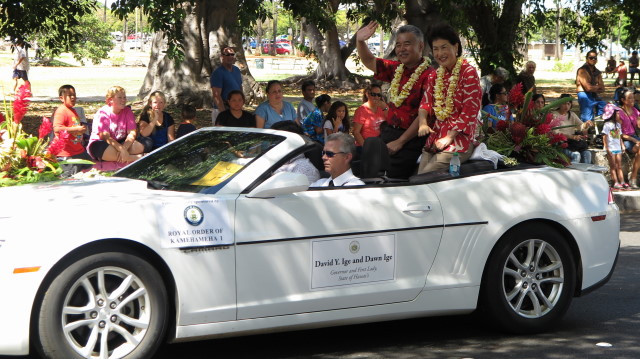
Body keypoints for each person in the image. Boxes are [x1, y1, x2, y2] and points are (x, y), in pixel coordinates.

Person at [356, 22, 433, 178]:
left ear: (420, 46)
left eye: (407, 44)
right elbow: (370, 61)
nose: (401, 49)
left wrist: (401, 142)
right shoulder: (396, 69)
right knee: (367, 169)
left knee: (392, 179)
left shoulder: (431, 75)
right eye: (398, 45)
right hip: (389, 131)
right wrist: (359, 41)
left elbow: (425, 113)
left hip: (413, 138)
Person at [416, 23, 482, 174]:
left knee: (426, 175)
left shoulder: (468, 72)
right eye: (435, 49)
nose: (439, 53)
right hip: (435, 139)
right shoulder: (434, 74)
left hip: (460, 140)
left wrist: (449, 137)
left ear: (456, 47)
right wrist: (422, 124)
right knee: (420, 175)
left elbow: (470, 111)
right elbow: (425, 103)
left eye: (444, 47)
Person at [87, 86, 145, 162]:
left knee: (146, 142)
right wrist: (120, 149)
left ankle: (117, 157)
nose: (123, 100)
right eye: (120, 98)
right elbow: (105, 137)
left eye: (124, 97)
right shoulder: (103, 113)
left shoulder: (127, 111)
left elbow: (132, 133)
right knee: (98, 148)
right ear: (110, 100)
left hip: (121, 142)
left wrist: (124, 148)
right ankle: (134, 158)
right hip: (104, 143)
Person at [52, 84, 93, 176]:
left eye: (74, 95)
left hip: (77, 149)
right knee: (70, 173)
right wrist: (75, 129)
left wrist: (81, 130)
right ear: (62, 98)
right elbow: (57, 128)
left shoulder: (73, 110)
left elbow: (73, 126)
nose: (73, 97)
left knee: (89, 166)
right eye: (69, 95)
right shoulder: (61, 111)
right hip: (66, 152)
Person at [550, 94, 593, 164]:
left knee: (587, 154)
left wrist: (586, 124)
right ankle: (573, 174)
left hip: (573, 144)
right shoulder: (554, 115)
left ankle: (585, 174)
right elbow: (555, 133)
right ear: (559, 104)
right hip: (561, 144)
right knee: (576, 155)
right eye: (564, 104)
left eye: (568, 104)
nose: (566, 106)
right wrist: (572, 136)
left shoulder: (571, 114)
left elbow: (581, 126)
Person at [210, 46, 243, 124]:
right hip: (221, 110)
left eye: (232, 54)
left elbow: (240, 89)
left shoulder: (237, 70)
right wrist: (224, 114)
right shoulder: (218, 73)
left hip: (235, 110)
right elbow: (216, 96)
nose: (230, 57)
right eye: (227, 54)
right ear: (222, 56)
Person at [616, 87, 640, 188]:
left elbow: (639, 125)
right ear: (623, 100)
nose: (632, 100)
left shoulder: (635, 110)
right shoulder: (618, 113)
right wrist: (633, 140)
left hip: (635, 137)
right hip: (625, 139)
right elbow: (617, 133)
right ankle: (633, 177)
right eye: (630, 98)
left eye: (633, 98)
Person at [601, 104, 627, 189]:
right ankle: (615, 182)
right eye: (617, 113)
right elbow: (604, 137)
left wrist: (622, 145)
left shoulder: (618, 125)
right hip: (611, 148)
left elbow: (619, 137)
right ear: (612, 114)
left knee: (619, 166)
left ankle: (622, 181)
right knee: (613, 166)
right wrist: (607, 148)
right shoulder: (607, 125)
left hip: (617, 148)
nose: (619, 115)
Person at [576, 50, 606, 123]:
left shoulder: (597, 72)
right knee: (587, 117)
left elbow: (603, 88)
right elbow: (588, 88)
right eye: (591, 58)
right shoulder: (582, 70)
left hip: (594, 95)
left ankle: (598, 124)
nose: (593, 59)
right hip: (584, 94)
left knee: (605, 107)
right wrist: (597, 86)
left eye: (595, 58)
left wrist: (594, 87)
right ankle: (585, 131)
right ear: (587, 59)